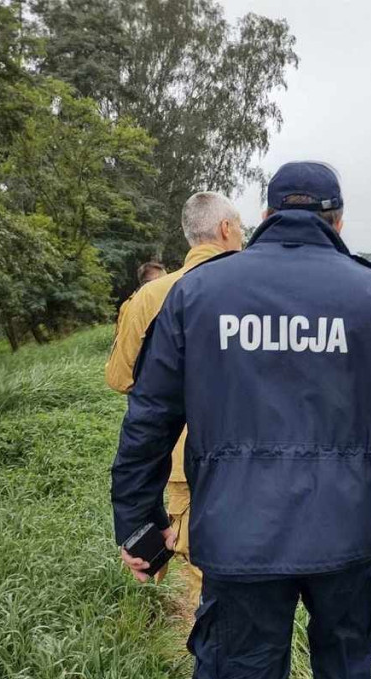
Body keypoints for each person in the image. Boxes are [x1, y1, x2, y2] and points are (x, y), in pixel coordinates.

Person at [111, 161, 371, 679]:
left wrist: (138, 523)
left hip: (236, 540)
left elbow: (148, 417)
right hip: (348, 539)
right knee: (343, 678)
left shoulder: (198, 295)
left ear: (264, 217)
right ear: (337, 219)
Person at [107, 191, 243, 585]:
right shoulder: (258, 289)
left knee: (203, 565)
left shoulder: (150, 297)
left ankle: (211, 644)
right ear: (225, 228)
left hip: (184, 456)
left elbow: (119, 378)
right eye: (240, 229)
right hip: (256, 454)